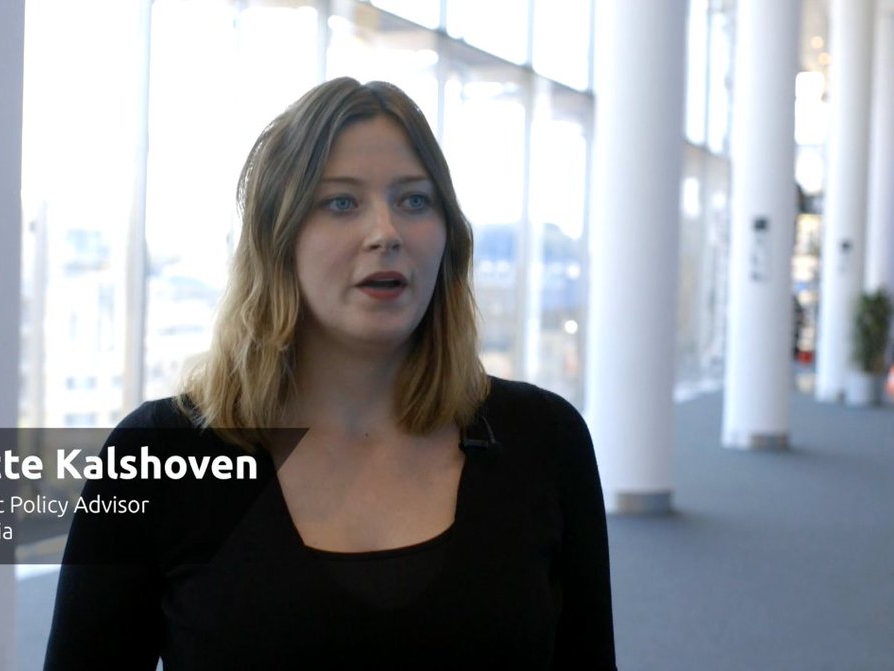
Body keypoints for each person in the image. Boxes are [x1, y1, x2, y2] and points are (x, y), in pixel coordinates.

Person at [44, 77, 615, 669]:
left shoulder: (543, 438)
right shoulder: (158, 456)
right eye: (341, 203)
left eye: (414, 201)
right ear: (278, 237)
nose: (386, 233)